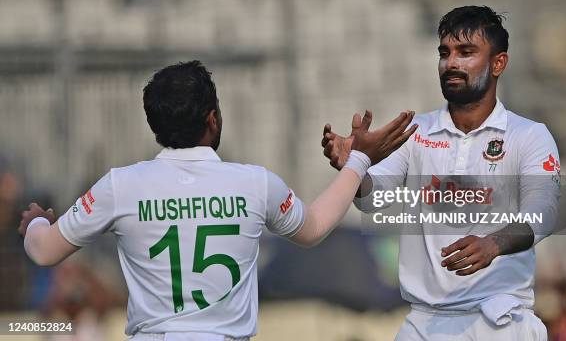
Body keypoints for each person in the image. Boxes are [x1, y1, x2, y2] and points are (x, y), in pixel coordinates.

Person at [17, 60, 418, 341]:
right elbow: (313, 228)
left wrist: (36, 222)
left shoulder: (121, 186)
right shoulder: (254, 183)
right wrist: (359, 161)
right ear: (213, 119)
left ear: (155, 123)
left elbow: (44, 251)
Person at [322, 6, 561, 340]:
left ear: (498, 63)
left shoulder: (529, 135)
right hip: (425, 324)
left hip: (501, 322)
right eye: (444, 53)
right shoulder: (414, 131)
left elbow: (544, 211)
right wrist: (355, 165)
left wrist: (493, 244)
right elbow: (374, 199)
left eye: (466, 53)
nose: (451, 63)